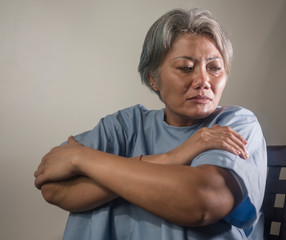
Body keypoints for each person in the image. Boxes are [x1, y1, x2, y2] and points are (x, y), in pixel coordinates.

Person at [34, 8, 267, 240]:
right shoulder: (125, 126)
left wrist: (83, 159)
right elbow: (52, 186)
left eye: (214, 67)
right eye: (186, 67)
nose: (203, 81)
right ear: (153, 78)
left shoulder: (233, 125)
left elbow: (202, 202)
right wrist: (171, 158)